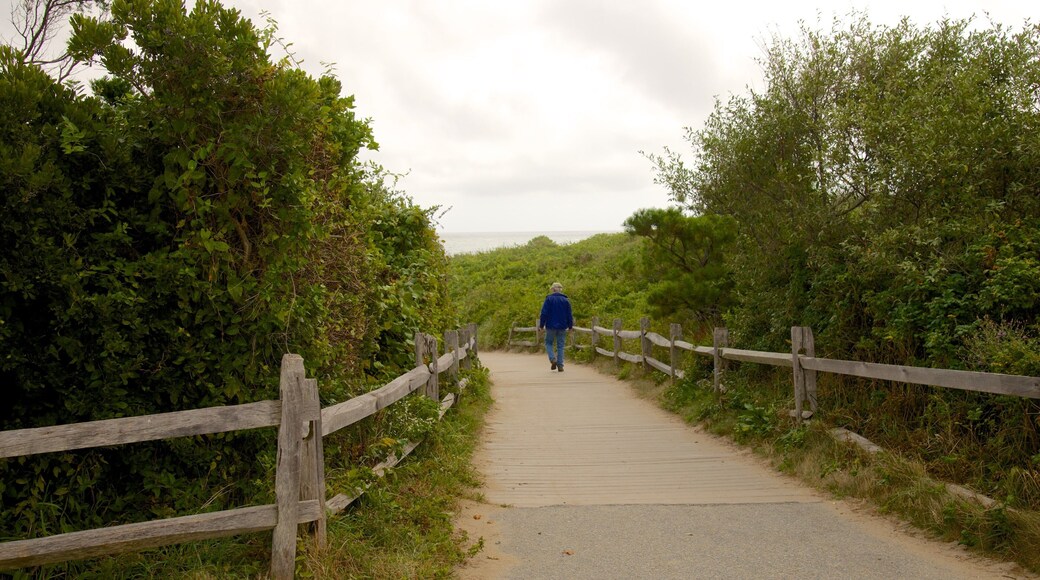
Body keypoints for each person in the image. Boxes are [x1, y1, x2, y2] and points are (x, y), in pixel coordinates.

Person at [539, 282, 574, 372]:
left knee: (548, 343)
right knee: (560, 346)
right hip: (562, 326)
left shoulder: (549, 299)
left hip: (550, 325)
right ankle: (560, 365)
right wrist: (570, 327)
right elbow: (569, 315)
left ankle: (552, 359)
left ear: (553, 289)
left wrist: (541, 325)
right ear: (560, 289)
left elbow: (544, 313)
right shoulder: (566, 300)